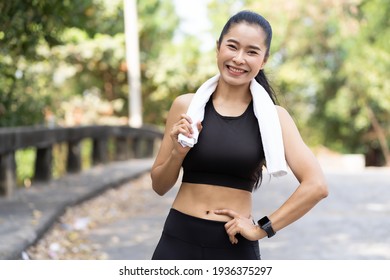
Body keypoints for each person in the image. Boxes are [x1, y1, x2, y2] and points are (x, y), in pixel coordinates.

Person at [150, 10, 328, 260]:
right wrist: (178, 153)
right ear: (218, 48)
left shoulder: (275, 118)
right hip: (178, 239)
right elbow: (159, 185)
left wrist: (262, 228)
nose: (239, 59)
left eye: (252, 52)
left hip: (234, 246)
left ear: (264, 60)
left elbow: (316, 186)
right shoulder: (187, 107)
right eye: (232, 47)